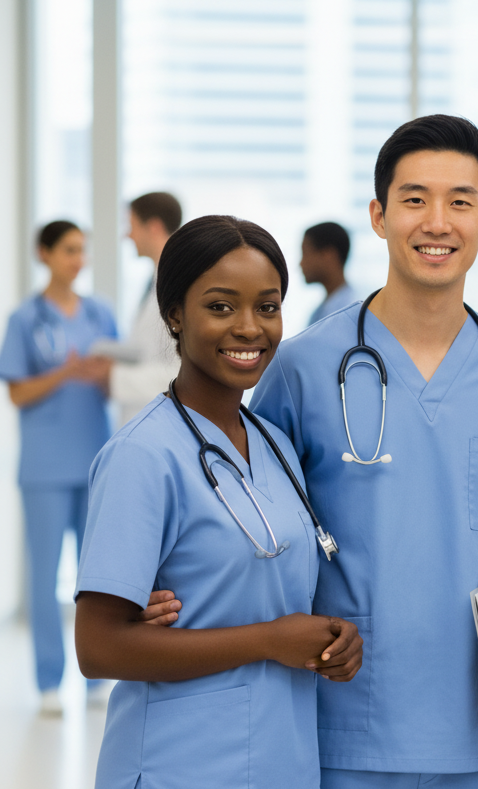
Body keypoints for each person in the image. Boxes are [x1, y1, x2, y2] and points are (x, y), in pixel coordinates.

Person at [249, 114, 478, 788]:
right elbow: (245, 522)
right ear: (379, 215)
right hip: (340, 719)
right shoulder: (303, 368)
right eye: (415, 199)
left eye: (460, 202)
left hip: (476, 730)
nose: (437, 222)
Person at [74, 215, 362, 789]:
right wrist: (269, 640)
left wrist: (334, 640)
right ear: (175, 314)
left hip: (281, 759)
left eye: (268, 307)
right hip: (179, 763)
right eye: (222, 307)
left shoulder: (275, 445)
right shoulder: (142, 456)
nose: (250, 328)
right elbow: (97, 647)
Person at [0, 220, 117, 715]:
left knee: (99, 577)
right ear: (43, 254)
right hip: (45, 467)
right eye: (69, 249)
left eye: (82, 250)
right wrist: (65, 372)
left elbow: (120, 379)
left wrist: (101, 376)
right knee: (45, 578)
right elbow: (17, 392)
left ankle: (98, 677)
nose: (78, 259)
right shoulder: (25, 319)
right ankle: (49, 680)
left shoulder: (100, 314)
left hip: (95, 460)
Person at [111, 191, 183, 422]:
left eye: (132, 226)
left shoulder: (178, 286)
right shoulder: (154, 281)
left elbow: (180, 373)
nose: (127, 235)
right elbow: (149, 349)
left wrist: (112, 377)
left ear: (153, 227)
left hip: (161, 420)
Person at [302, 221, 357, 325]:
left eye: (305, 253)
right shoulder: (322, 311)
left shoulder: (350, 312)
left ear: (328, 256)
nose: (301, 263)